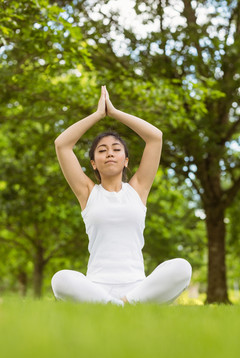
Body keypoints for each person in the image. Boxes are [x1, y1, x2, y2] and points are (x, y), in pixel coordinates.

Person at [51, 85, 192, 306]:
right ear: (93, 164)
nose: (109, 153)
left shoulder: (138, 189)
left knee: (182, 267)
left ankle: (124, 303)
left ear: (126, 160)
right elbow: (62, 144)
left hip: (137, 286)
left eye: (116, 149)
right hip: (96, 287)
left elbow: (155, 137)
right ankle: (115, 306)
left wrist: (114, 112)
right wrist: (98, 115)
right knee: (60, 280)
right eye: (102, 150)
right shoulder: (87, 192)